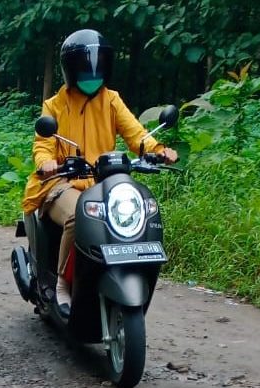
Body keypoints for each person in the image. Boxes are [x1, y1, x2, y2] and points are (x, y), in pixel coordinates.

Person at [22, 29, 177, 317]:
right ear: (70, 68)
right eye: (84, 65)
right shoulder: (55, 105)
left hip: (103, 182)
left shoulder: (111, 100)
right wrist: (46, 162)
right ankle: (62, 285)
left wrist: (158, 149)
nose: (92, 72)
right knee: (75, 217)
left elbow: (136, 135)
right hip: (60, 182)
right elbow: (42, 145)